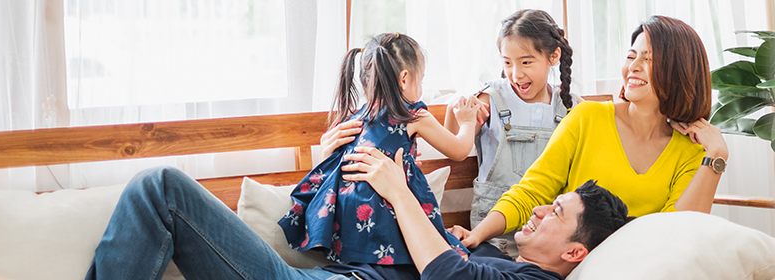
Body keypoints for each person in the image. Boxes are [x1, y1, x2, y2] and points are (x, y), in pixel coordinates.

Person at [85, 145, 632, 279]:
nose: (537, 210)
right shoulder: (500, 257)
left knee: (162, 187)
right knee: (159, 190)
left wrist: (397, 189)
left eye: (556, 212)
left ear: (574, 252)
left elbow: (446, 274)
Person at [453, 15, 729, 250]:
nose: (633, 66)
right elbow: (532, 191)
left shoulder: (691, 150)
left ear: (679, 71)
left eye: (648, 59)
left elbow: (679, 231)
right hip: (566, 263)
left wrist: (716, 158)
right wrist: (478, 234)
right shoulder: (587, 116)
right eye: (631, 56)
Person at [277, 32, 484, 265]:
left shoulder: (355, 118)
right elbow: (458, 150)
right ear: (404, 78)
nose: (422, 87)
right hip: (386, 214)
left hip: (349, 223)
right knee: (451, 253)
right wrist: (467, 121)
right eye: (422, 79)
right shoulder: (412, 115)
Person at [442, 9, 581, 228]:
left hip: (548, 231)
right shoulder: (491, 99)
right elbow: (454, 146)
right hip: (492, 232)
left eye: (526, 63)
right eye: (508, 63)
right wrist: (456, 109)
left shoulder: (571, 107)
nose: (516, 74)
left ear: (553, 56)